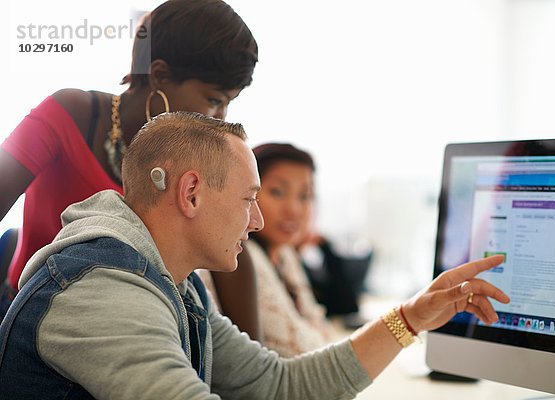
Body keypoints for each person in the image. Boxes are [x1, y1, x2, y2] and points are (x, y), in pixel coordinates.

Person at [0, 112, 510, 399]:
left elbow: (278, 384)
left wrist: (411, 318)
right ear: (192, 193)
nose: (260, 220)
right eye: (249, 199)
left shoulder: (179, 284)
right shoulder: (102, 289)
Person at [0, 0, 262, 338]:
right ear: (159, 75)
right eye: (213, 99)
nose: (220, 118)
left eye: (229, 103)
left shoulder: (196, 154)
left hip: (131, 327)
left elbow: (231, 244)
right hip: (37, 320)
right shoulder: (69, 114)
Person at [244, 143, 339, 356]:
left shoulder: (284, 254)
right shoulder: (244, 256)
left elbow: (318, 326)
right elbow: (300, 350)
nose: (293, 209)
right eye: (277, 192)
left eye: (304, 196)